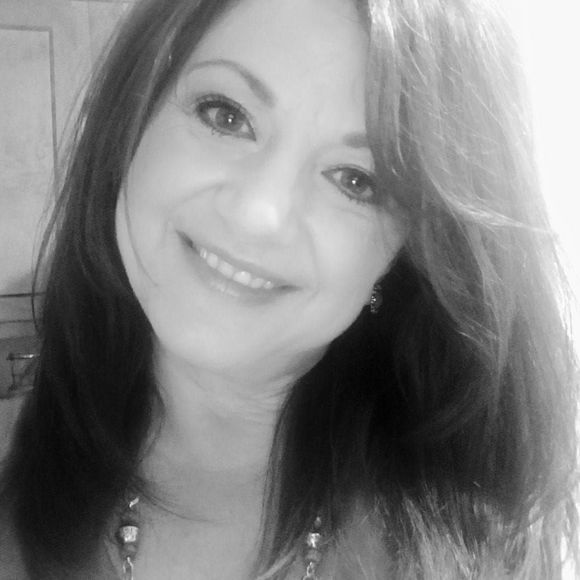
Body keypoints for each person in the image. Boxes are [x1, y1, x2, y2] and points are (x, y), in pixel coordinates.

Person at [0, 0, 577, 577]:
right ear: (133, 120)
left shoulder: (484, 543)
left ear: (409, 254)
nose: (259, 214)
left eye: (356, 180)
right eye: (225, 115)